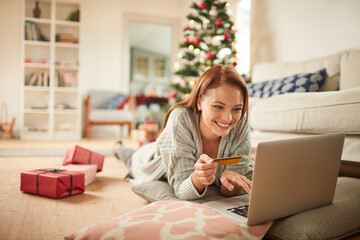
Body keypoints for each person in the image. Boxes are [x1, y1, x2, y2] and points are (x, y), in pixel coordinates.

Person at [115, 65, 252, 200]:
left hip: (172, 146)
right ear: (199, 102)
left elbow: (231, 189)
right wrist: (198, 177)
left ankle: (148, 144)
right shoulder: (181, 119)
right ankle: (118, 148)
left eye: (236, 109)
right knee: (131, 157)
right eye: (218, 106)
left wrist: (231, 183)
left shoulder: (240, 123)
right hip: (153, 162)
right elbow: (182, 189)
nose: (228, 118)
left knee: (149, 145)